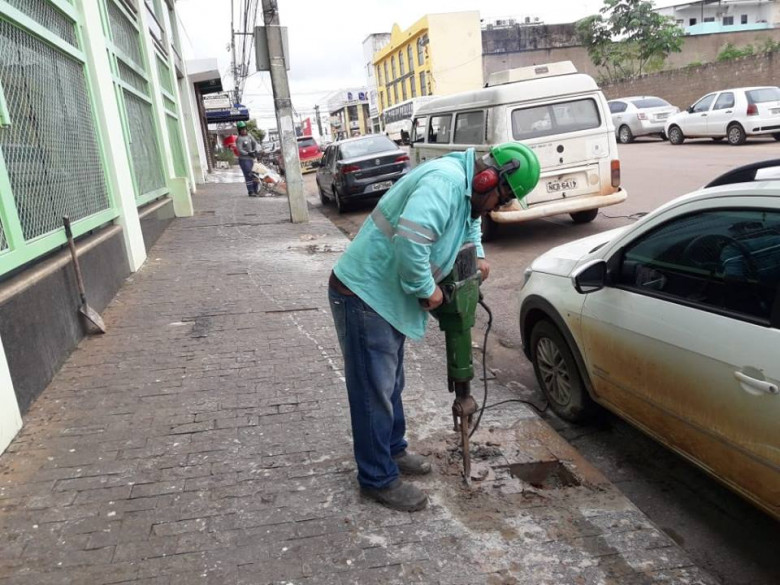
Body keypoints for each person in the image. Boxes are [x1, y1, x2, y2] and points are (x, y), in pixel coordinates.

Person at [328, 143, 540, 512]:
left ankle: (392, 450)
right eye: (501, 199)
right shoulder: (444, 183)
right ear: (489, 178)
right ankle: (377, 477)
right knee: (372, 390)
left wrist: (479, 252)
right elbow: (410, 241)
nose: (497, 208)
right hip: (365, 293)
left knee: (390, 382)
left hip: (384, 297)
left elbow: (471, 218)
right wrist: (427, 291)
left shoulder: (469, 187)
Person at [235, 121, 259, 196]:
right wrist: (248, 153)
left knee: (255, 173)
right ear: (239, 130)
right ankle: (251, 191)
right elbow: (240, 150)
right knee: (248, 174)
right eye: (241, 129)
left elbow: (255, 143)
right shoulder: (239, 139)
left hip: (252, 158)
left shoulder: (249, 136)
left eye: (244, 128)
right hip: (244, 159)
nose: (243, 130)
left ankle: (256, 190)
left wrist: (255, 150)